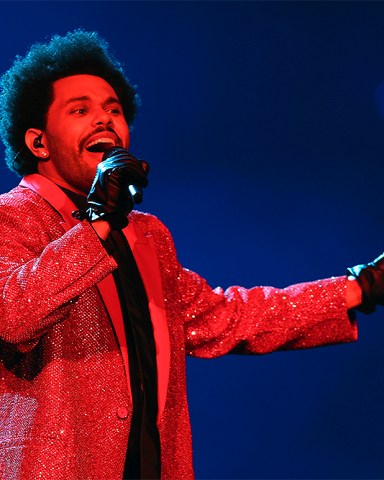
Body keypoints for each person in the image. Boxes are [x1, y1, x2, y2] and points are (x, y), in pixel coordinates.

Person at [0, 29, 380, 480]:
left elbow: (226, 317)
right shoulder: (13, 218)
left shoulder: (147, 234)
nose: (104, 121)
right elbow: (12, 315)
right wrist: (98, 221)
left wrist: (361, 287)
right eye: (80, 110)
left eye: (114, 110)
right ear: (38, 142)